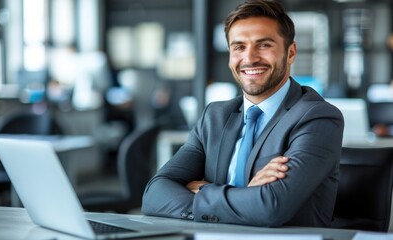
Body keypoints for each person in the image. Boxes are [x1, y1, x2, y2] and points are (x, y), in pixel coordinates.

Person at [142, 0, 344, 228]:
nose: (249, 58)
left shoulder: (317, 117)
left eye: (264, 45)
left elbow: (271, 207)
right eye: (239, 47)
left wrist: (204, 190)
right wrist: (245, 194)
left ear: (290, 53)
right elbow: (154, 194)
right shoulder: (214, 116)